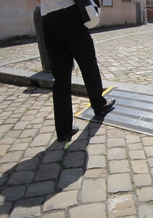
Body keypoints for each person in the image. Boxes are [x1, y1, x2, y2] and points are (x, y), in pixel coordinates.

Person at [36, 0, 115, 142]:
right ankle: (98, 103)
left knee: (60, 77)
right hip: (68, 12)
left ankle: (63, 129)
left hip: (47, 18)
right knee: (88, 62)